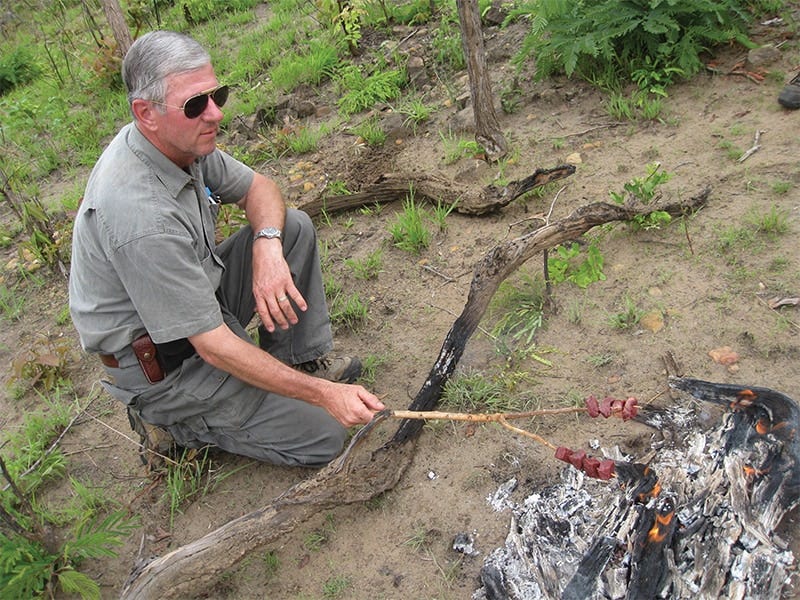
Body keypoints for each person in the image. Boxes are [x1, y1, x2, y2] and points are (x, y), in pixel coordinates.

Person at [68, 30, 384, 467]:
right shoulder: (140, 215)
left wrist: (268, 248)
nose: (215, 114)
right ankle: (175, 427)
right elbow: (213, 345)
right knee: (328, 436)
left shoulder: (180, 144)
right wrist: (327, 397)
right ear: (147, 113)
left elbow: (261, 189)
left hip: (199, 309)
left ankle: (294, 363)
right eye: (196, 104)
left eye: (218, 95)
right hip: (168, 367)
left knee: (290, 227)